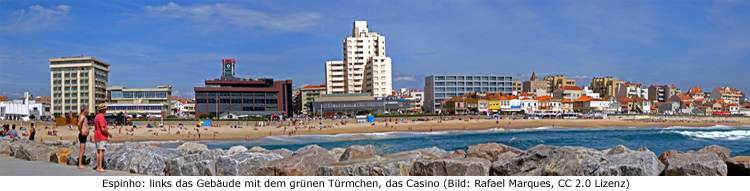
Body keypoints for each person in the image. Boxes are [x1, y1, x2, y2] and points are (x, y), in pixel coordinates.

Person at [94, 104, 111, 173]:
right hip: (101, 136)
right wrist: (108, 133)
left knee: (98, 151)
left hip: (97, 135)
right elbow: (103, 128)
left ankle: (98, 166)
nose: (106, 110)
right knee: (101, 151)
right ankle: (100, 167)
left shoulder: (97, 116)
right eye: (105, 109)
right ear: (103, 110)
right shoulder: (101, 117)